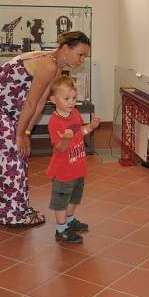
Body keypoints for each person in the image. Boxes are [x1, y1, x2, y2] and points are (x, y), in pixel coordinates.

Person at [0, 31, 91, 227]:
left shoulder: (57, 67)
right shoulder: (49, 64)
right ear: (66, 49)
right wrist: (19, 135)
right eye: (80, 54)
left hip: (2, 105)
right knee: (13, 154)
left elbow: (41, 103)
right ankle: (14, 214)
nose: (82, 60)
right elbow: (31, 102)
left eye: (85, 56)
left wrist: (26, 132)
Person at [47, 76, 100, 243]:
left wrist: (90, 127)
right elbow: (58, 149)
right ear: (53, 100)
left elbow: (80, 132)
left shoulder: (75, 113)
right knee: (61, 199)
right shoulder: (54, 122)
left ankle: (69, 221)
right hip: (63, 170)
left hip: (77, 167)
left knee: (75, 197)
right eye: (66, 98)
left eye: (74, 98)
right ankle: (61, 230)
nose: (71, 102)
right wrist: (65, 139)